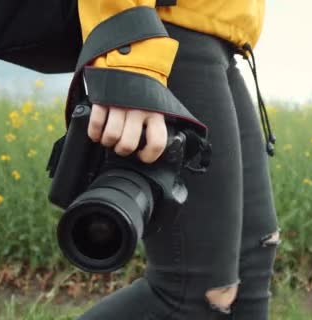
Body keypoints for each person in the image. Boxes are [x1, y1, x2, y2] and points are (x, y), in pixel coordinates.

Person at [76, 1, 280, 319]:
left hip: (219, 38)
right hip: (162, 38)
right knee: (191, 292)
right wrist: (131, 65)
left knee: (251, 266)